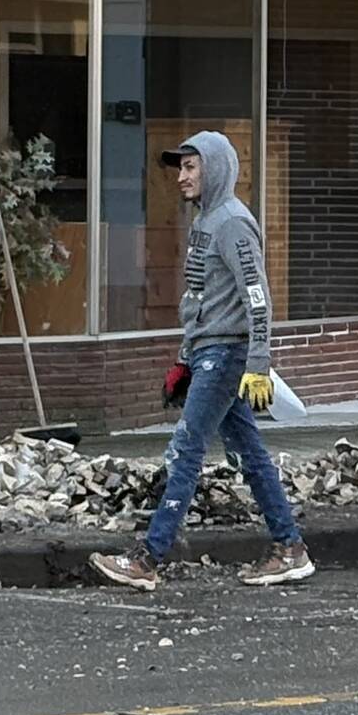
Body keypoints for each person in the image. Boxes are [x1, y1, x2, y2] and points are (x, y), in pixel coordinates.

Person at [88, 131, 314, 592]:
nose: (181, 176)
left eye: (192, 167)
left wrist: (257, 362)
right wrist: (186, 358)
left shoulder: (231, 222)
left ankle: (148, 558)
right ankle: (290, 549)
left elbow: (258, 298)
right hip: (213, 353)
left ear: (216, 169)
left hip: (227, 354)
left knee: (185, 450)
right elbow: (202, 298)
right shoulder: (208, 221)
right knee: (250, 455)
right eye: (180, 167)